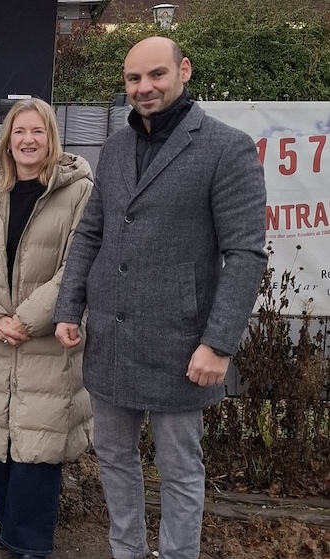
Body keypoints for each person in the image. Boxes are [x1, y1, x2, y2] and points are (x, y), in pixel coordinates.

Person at [53, 37, 267, 559]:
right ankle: (126, 551)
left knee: (179, 469)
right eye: (133, 79)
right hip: (111, 336)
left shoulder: (226, 147)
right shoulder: (117, 145)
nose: (144, 88)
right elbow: (91, 234)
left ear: (183, 71)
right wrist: (68, 307)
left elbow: (245, 254)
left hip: (183, 345)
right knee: (115, 459)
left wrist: (218, 344)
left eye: (155, 75)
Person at [0, 98, 94, 559]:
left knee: (38, 445)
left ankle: (31, 543)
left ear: (51, 137)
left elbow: (77, 265)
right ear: (7, 140)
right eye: (20, 132)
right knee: (3, 437)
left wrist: (25, 319)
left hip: (46, 339)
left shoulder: (77, 191)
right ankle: (8, 530)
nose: (28, 140)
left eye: (37, 131)